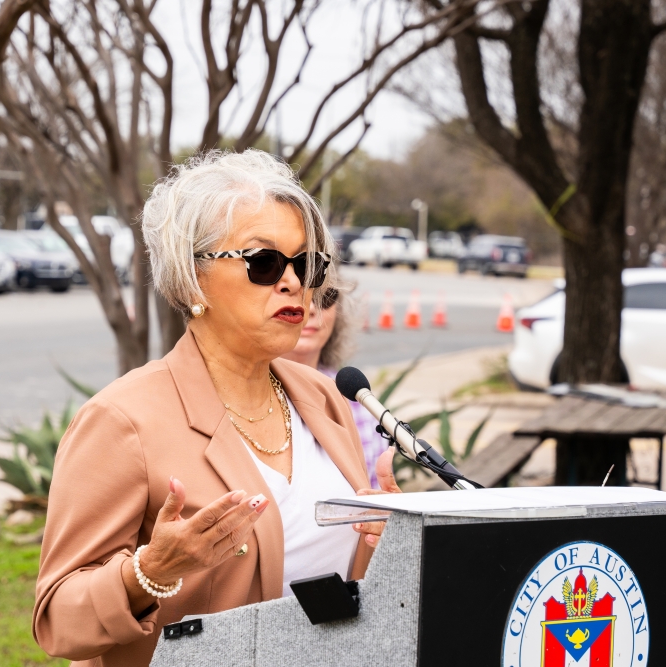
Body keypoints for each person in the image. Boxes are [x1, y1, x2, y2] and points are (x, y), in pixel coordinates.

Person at [34, 150, 399, 666]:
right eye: (264, 262)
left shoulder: (322, 396)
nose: (295, 283)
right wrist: (149, 573)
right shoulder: (122, 421)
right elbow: (57, 620)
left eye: (307, 264)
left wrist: (384, 541)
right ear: (192, 277)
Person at [281, 286, 388, 488]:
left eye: (324, 297)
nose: (311, 308)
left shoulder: (358, 401)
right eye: (294, 293)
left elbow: (374, 500)